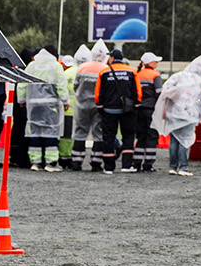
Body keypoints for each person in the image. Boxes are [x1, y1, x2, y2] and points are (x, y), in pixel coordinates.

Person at [151, 55, 201, 176]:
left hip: (173, 113)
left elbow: (165, 90)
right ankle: (183, 167)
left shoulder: (178, 76)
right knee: (185, 141)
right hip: (190, 115)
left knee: (174, 141)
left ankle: (172, 167)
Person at [95, 49, 143, 173]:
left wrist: (100, 106)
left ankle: (108, 167)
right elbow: (137, 91)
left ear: (111, 58)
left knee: (108, 137)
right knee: (128, 136)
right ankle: (126, 166)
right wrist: (136, 105)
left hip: (109, 110)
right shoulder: (131, 71)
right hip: (127, 110)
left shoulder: (104, 72)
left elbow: (98, 92)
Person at [23, 47, 66, 171]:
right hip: (50, 105)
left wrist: (21, 100)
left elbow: (22, 84)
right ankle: (51, 163)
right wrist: (65, 101)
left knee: (35, 132)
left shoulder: (31, 66)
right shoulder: (56, 66)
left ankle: (35, 162)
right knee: (50, 132)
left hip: (33, 105)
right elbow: (61, 85)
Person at [69, 43, 108, 172]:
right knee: (98, 134)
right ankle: (96, 163)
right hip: (98, 105)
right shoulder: (105, 68)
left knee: (80, 132)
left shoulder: (83, 67)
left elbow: (75, 86)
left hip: (81, 105)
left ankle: (76, 162)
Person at [135, 52, 163, 171]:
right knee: (152, 136)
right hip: (151, 110)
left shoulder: (138, 74)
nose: (156, 63)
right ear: (150, 63)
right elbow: (159, 94)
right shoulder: (155, 75)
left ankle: (136, 163)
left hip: (138, 110)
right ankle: (148, 164)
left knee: (141, 137)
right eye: (155, 61)